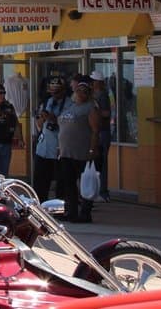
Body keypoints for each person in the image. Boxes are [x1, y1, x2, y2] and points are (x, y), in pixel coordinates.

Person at [56, 75, 100, 223]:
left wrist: (92, 150)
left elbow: (95, 131)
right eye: (79, 90)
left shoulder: (91, 108)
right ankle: (71, 211)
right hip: (66, 152)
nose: (81, 93)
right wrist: (59, 147)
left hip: (82, 153)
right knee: (69, 184)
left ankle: (85, 213)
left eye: (85, 91)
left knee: (85, 183)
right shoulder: (71, 106)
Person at [33, 76, 68, 201]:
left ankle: (60, 205)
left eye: (57, 92)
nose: (54, 95)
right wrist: (41, 118)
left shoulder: (69, 103)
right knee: (40, 180)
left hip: (59, 147)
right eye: (52, 91)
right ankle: (40, 204)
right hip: (44, 147)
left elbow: (68, 123)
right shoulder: (47, 102)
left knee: (61, 182)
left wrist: (52, 118)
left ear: (63, 91)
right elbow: (40, 124)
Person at [90, 70, 113, 201]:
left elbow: (106, 113)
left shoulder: (102, 95)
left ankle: (103, 192)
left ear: (98, 82)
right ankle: (96, 190)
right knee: (96, 164)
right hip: (98, 133)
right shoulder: (95, 95)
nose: (92, 83)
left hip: (102, 133)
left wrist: (94, 113)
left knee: (102, 163)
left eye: (93, 81)